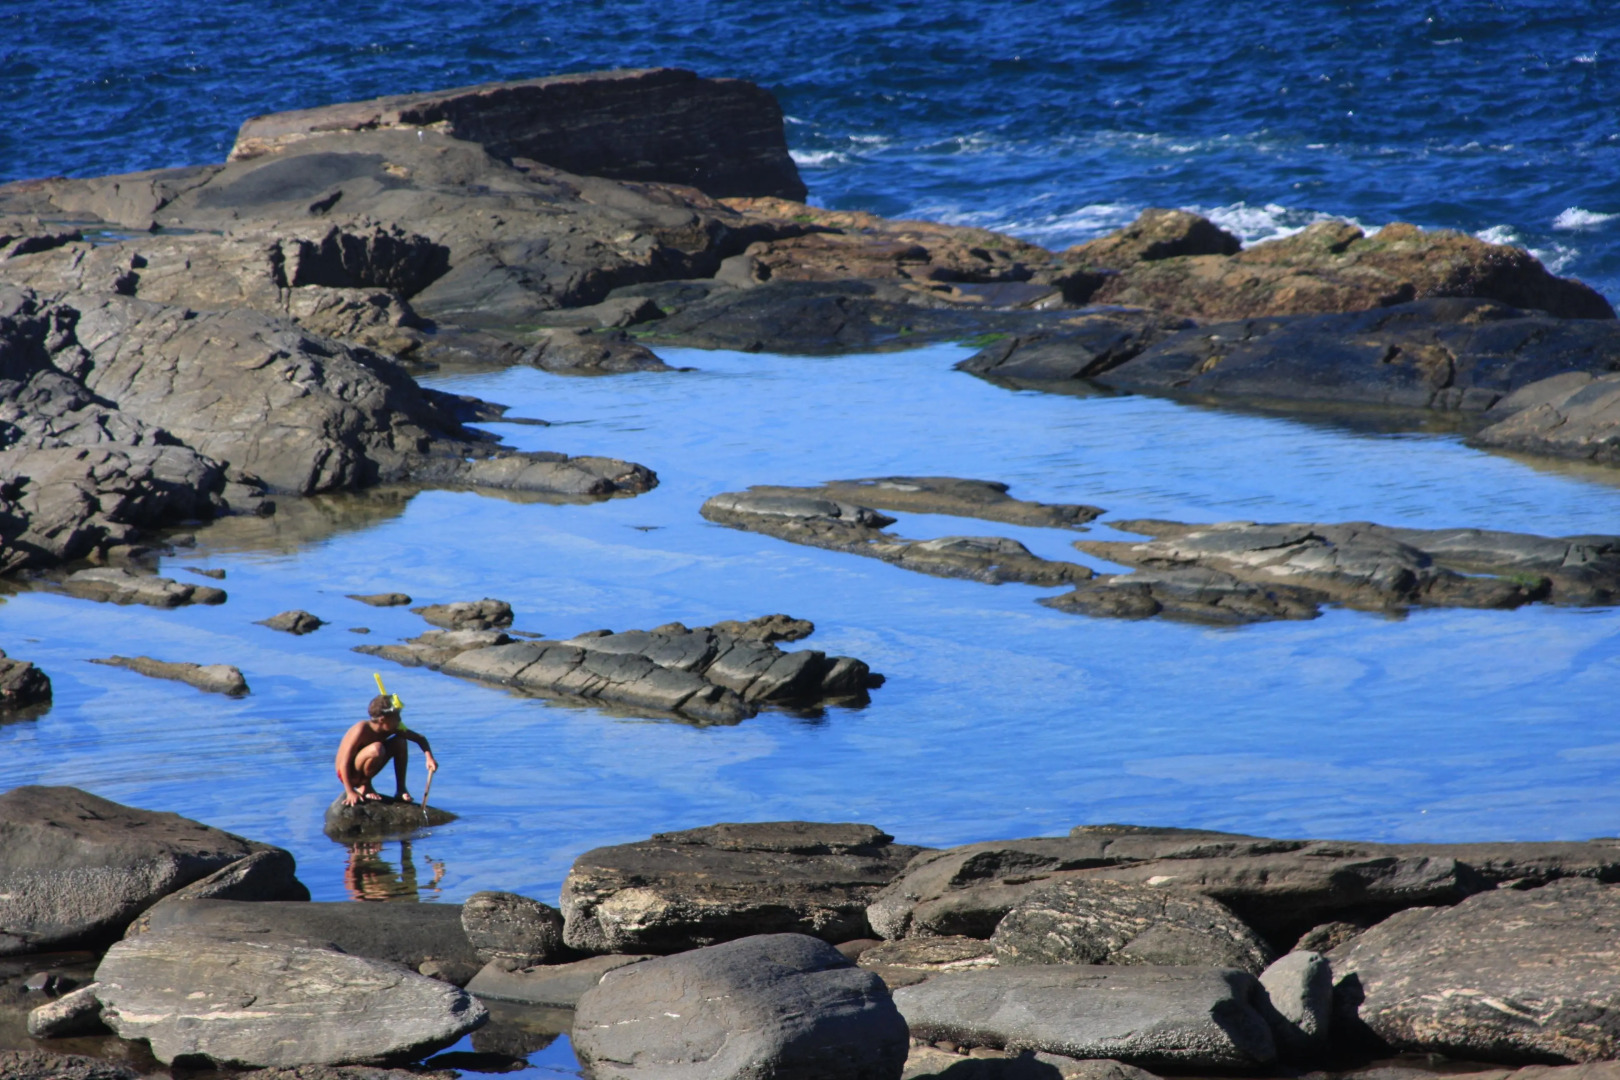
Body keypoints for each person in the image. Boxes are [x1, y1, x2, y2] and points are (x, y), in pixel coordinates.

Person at [335, 694, 438, 806]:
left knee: (400, 741)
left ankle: (401, 789)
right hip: (348, 774)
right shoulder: (361, 729)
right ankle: (363, 786)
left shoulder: (391, 728)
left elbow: (420, 738)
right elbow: (343, 763)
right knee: (376, 748)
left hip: (363, 768)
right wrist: (350, 791)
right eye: (396, 716)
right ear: (382, 720)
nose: (400, 720)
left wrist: (429, 757)